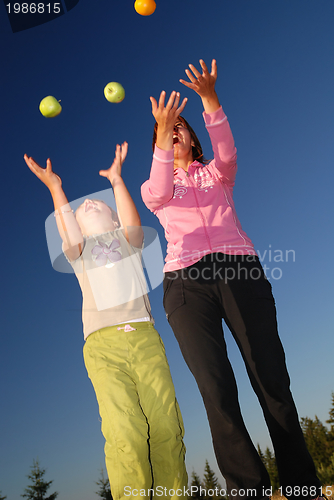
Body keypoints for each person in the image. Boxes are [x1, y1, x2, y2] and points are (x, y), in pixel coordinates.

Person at [141, 59, 322, 500]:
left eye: (182, 125)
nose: (177, 130)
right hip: (185, 284)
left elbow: (228, 153)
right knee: (216, 389)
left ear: (194, 135)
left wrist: (208, 100)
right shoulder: (155, 186)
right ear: (162, 142)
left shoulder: (217, 173)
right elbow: (159, 190)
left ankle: (302, 487)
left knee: (271, 378)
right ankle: (249, 491)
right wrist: (161, 138)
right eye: (169, 128)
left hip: (240, 270)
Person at [24, 142, 188, 500]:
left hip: (145, 339)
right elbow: (68, 228)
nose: (88, 204)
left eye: (99, 203)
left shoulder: (129, 240)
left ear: (114, 218)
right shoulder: (80, 253)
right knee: (125, 430)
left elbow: (131, 220)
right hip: (103, 347)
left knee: (165, 425)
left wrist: (116, 180)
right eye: (82, 209)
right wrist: (56, 188)